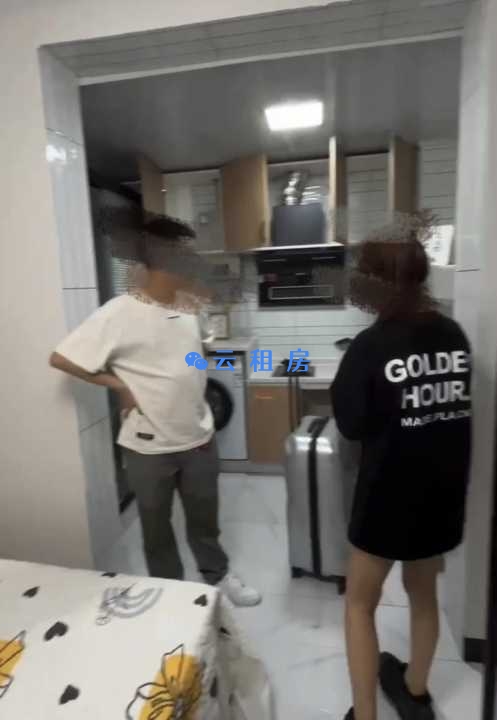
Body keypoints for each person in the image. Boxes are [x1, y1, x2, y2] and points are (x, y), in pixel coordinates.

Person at [50, 214, 261, 607]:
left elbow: (192, 357)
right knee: (156, 528)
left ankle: (217, 575)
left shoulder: (189, 308)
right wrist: (119, 385)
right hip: (148, 446)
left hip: (198, 437)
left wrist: (203, 369)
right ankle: (170, 592)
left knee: (205, 520)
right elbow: (62, 358)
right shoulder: (118, 312)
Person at [331, 222, 472, 720]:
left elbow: (351, 424)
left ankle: (366, 714)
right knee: (423, 595)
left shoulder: (371, 346)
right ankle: (415, 692)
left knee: (359, 604)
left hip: (387, 501)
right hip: (441, 498)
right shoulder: (453, 335)